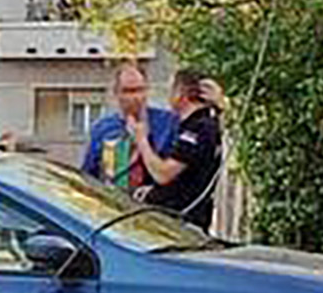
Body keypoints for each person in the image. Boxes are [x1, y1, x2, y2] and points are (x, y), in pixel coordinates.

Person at [137, 67, 225, 229]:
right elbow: (185, 178)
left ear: (181, 94)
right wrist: (153, 192)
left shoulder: (198, 129)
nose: (168, 95)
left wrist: (142, 140)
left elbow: (163, 174)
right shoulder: (198, 125)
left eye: (172, 89)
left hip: (180, 222)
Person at [78, 62, 176, 194]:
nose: (135, 97)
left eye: (140, 90)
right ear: (116, 93)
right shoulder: (102, 129)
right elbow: (88, 175)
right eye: (127, 91)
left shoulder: (167, 123)